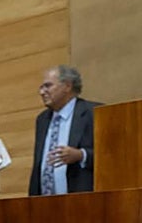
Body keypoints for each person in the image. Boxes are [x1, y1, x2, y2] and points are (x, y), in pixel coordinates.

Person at [29, 65, 100, 196]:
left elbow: (111, 156)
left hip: (82, 201)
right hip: (44, 204)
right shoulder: (42, 119)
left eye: (48, 86)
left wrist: (81, 155)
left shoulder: (93, 113)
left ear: (67, 86)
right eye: (41, 87)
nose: (42, 92)